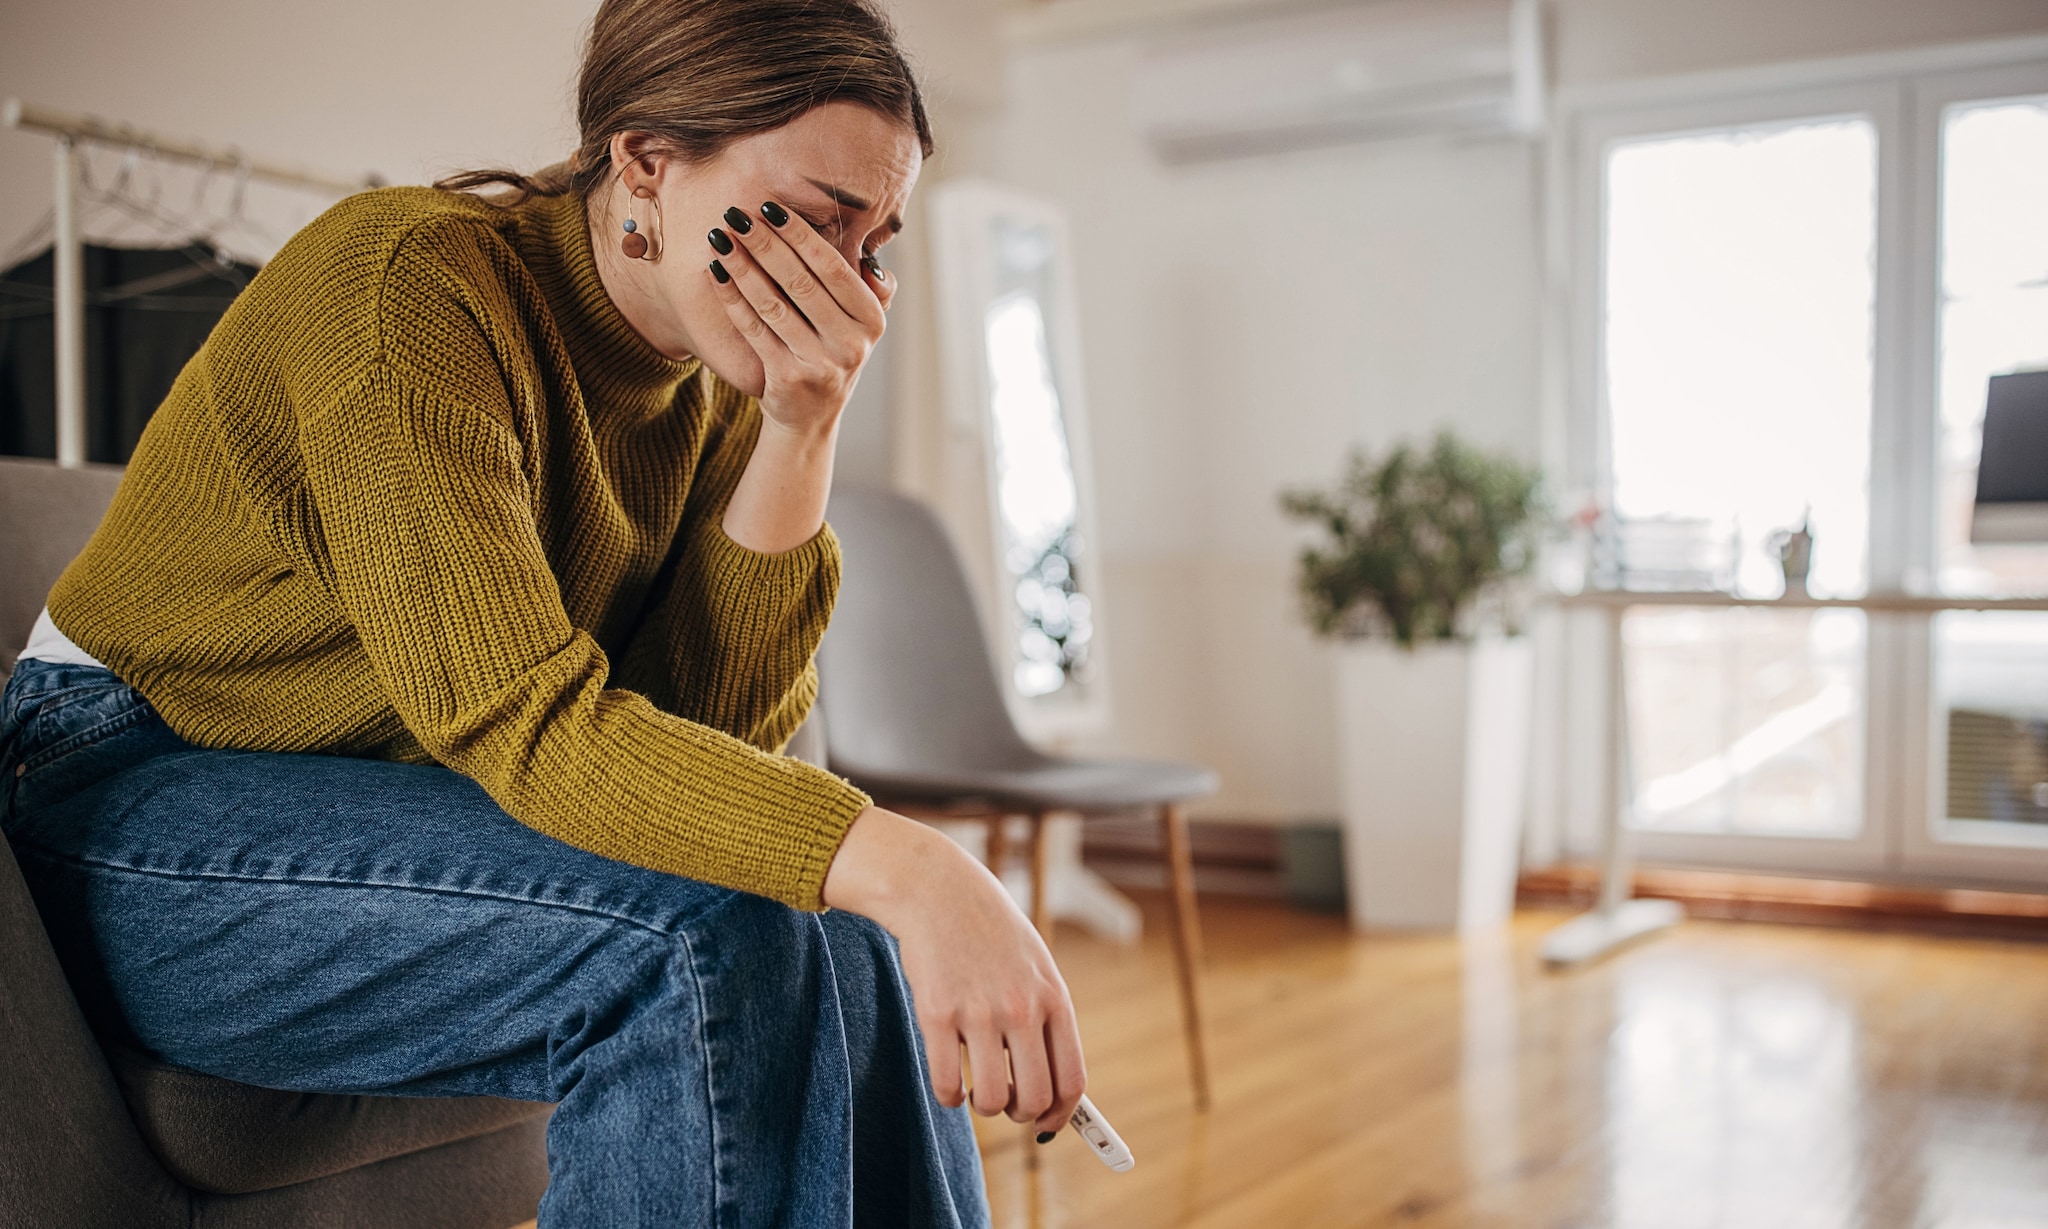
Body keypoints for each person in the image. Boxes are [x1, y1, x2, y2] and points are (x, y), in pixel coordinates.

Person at [0, 0, 1086, 1224]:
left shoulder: (730, 382)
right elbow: (529, 723)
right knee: (696, 939)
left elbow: (700, 763)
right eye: (820, 221)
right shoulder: (404, 286)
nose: (846, 288)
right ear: (644, 164)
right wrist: (917, 864)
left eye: (873, 245)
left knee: (832, 931)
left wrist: (802, 426)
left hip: (387, 792)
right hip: (124, 782)